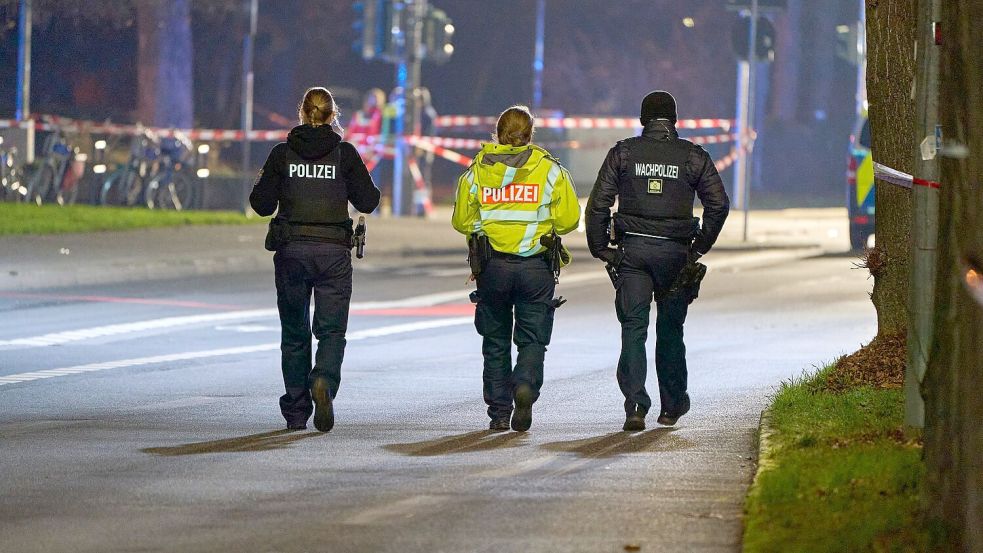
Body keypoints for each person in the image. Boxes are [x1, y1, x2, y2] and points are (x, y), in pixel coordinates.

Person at [585, 90, 730, 432]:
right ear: (674, 120)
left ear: (642, 120)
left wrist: (601, 248)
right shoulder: (693, 157)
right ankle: (672, 405)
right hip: (675, 255)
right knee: (670, 329)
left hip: (632, 253)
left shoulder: (623, 153)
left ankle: (635, 404)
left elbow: (598, 204)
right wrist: (698, 247)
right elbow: (718, 204)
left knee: (633, 329)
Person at [250, 87, 381, 432]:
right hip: (333, 255)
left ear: (302, 113)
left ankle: (296, 412)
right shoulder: (344, 154)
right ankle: (323, 380)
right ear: (332, 116)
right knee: (331, 330)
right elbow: (368, 201)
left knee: (295, 333)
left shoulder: (282, 154)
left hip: (291, 251)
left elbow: (261, 204)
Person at [451, 105, 581, 432]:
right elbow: (569, 221)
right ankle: (525, 386)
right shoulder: (550, 171)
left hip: (492, 268)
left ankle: (498, 412)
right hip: (536, 267)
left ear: (497, 133)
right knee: (533, 338)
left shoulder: (478, 171)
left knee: (495, 341)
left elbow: (461, 221)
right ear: (531, 134)